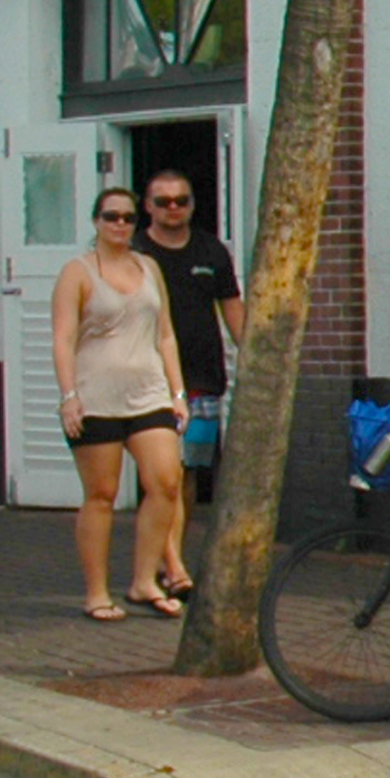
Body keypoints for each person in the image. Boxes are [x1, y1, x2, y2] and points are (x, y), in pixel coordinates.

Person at [50, 188, 192, 622]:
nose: (120, 225)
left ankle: (145, 579)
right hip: (97, 395)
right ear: (96, 221)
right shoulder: (77, 272)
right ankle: (96, 591)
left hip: (148, 392)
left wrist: (178, 391)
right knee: (102, 494)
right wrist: (69, 396)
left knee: (166, 482)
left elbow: (165, 333)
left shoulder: (148, 267)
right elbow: (64, 338)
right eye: (111, 216)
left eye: (128, 218)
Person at [134, 168, 244, 559]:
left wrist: (251, 355)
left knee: (187, 474)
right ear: (148, 207)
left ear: (193, 205)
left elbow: (232, 309)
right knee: (159, 476)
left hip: (201, 380)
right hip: (147, 381)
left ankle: (173, 557)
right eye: (163, 202)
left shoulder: (212, 252)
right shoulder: (135, 254)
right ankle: (163, 561)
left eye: (181, 200)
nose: (173, 208)